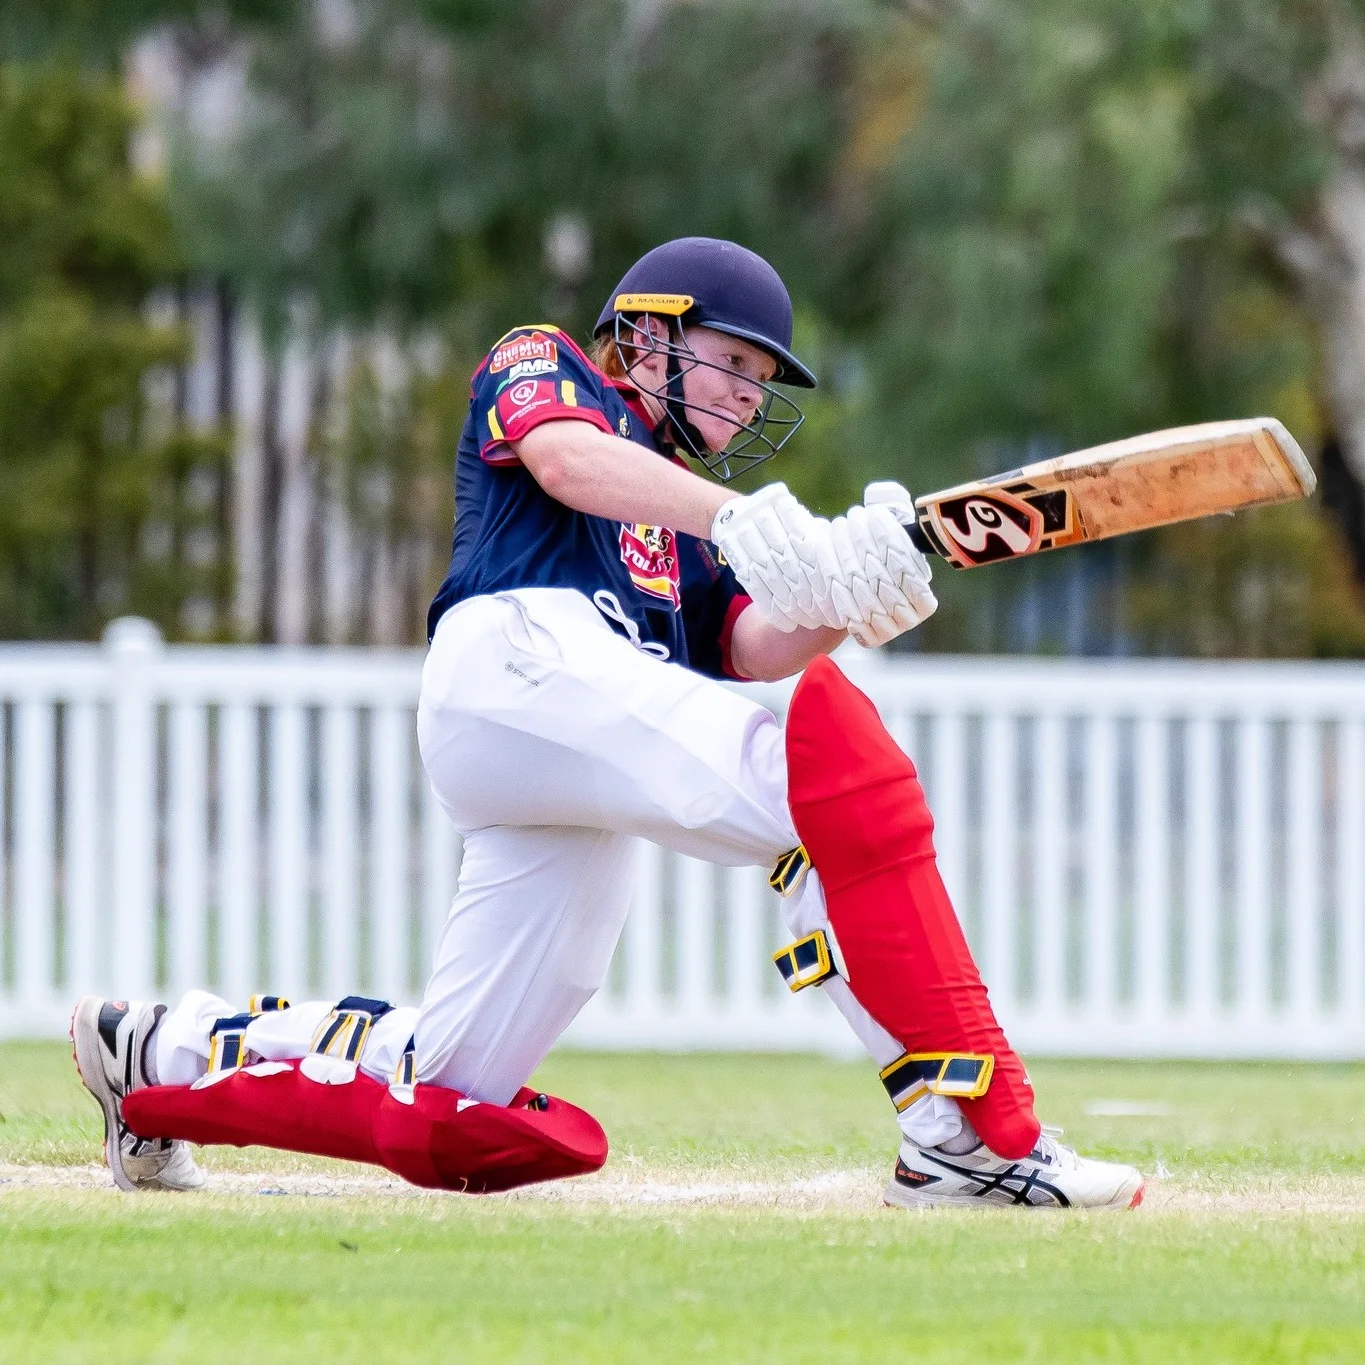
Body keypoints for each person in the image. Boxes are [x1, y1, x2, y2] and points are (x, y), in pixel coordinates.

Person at [72, 237, 1142, 1209]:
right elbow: (562, 461)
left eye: (760, 384)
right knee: (834, 786)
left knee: (450, 1089)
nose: (741, 401)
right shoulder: (544, 360)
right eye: (733, 364)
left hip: (563, 736)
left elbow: (748, 645)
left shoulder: (679, 510)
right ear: (649, 331)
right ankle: (963, 1137)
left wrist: (857, 592)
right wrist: (744, 519)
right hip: (520, 661)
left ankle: (153, 1058)